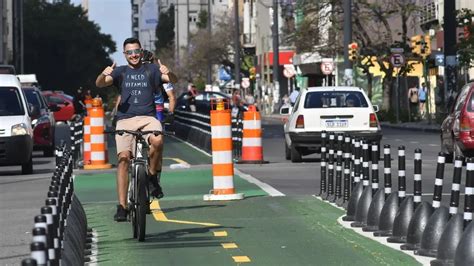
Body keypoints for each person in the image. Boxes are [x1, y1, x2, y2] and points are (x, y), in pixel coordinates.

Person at [95, 37, 175, 222]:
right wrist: (103, 74)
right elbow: (100, 83)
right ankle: (122, 206)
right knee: (123, 159)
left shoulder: (152, 69)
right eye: (129, 52)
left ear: (141, 51)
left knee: (158, 140)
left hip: (148, 118)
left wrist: (169, 73)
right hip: (125, 120)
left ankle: (152, 176)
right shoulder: (120, 72)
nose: (133, 55)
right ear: (125, 55)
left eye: (136, 51)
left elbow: (172, 81)